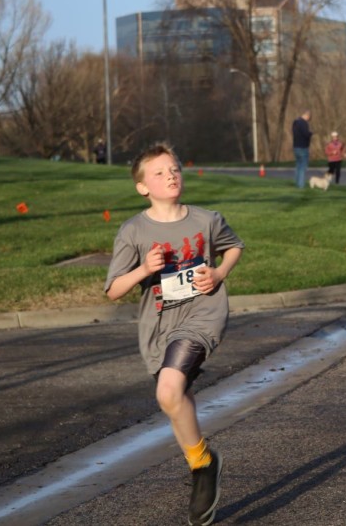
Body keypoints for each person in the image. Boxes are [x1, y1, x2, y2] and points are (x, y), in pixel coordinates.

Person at [105, 142, 244, 526]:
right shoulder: (133, 230)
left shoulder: (206, 220)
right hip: (159, 325)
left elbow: (234, 248)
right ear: (142, 187)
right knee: (176, 395)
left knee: (167, 390)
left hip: (202, 316)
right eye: (160, 172)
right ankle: (204, 464)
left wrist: (218, 273)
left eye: (175, 169)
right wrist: (142, 269)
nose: (171, 176)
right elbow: (114, 289)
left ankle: (201, 467)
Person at [292, 110, 312, 188]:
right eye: (309, 118)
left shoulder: (295, 122)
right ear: (307, 116)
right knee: (303, 167)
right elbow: (306, 134)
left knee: (298, 166)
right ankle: (301, 185)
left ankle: (297, 183)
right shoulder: (304, 123)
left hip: (296, 146)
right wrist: (310, 133)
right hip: (303, 147)